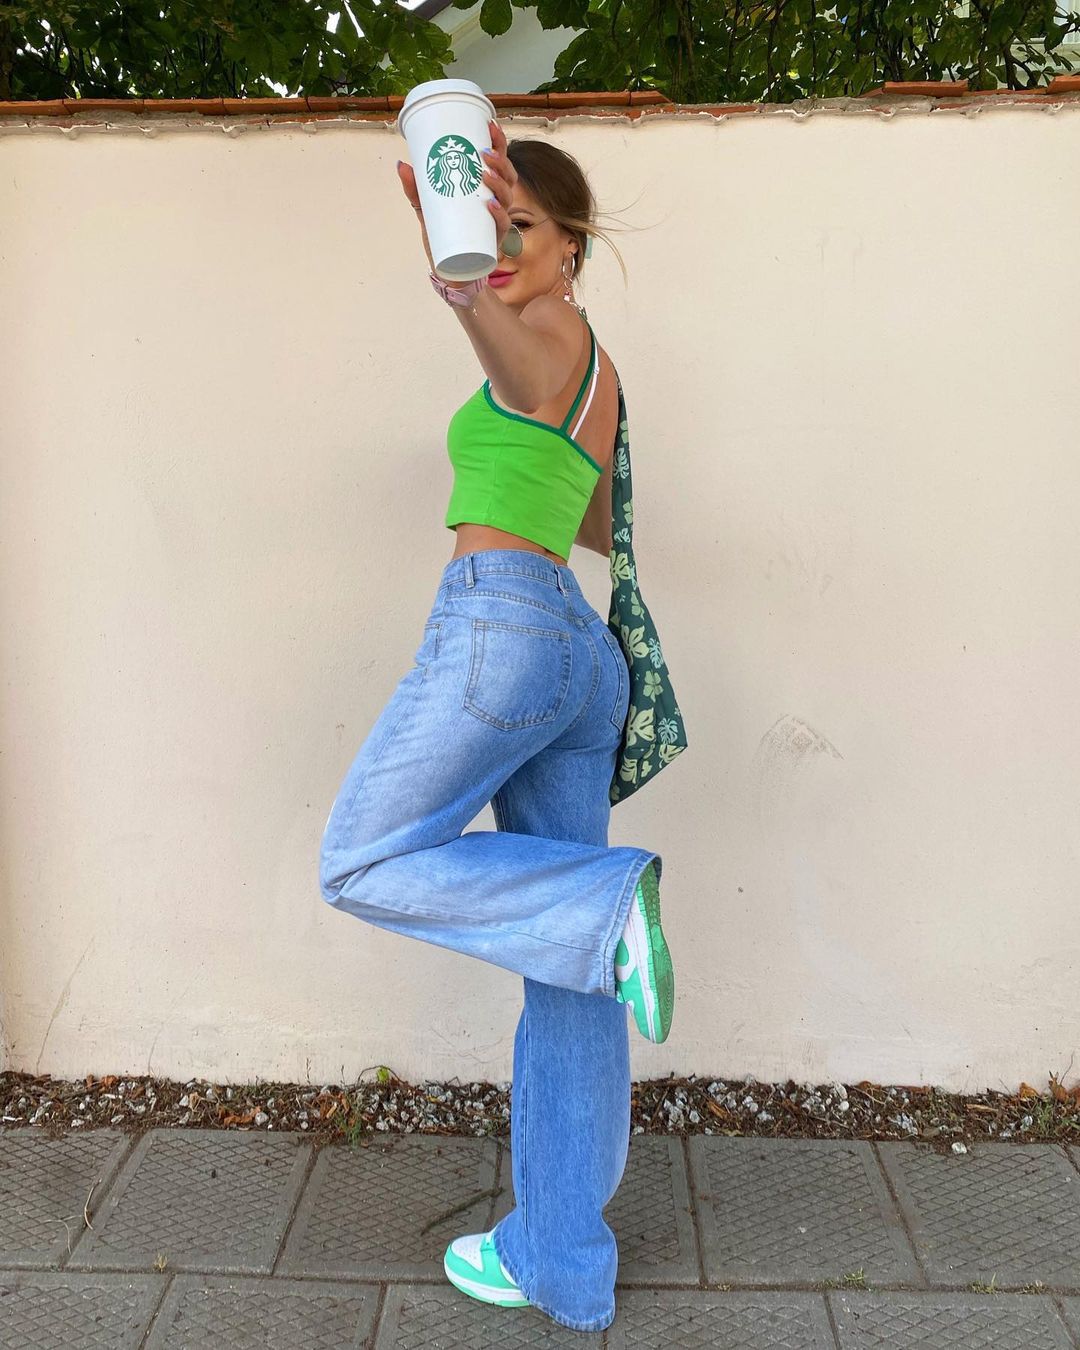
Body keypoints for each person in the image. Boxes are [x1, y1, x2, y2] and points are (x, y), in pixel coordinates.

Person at [318, 116, 674, 1335]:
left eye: (525, 226)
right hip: (573, 652)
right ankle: (563, 1262)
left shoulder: (548, 332)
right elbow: (587, 514)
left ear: (573, 247)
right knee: (568, 977)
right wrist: (465, 250)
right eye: (494, 223)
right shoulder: (597, 371)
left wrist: (464, 279)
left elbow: (516, 368)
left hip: (505, 626)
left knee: (360, 858)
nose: (505, 245)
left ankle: (608, 903)